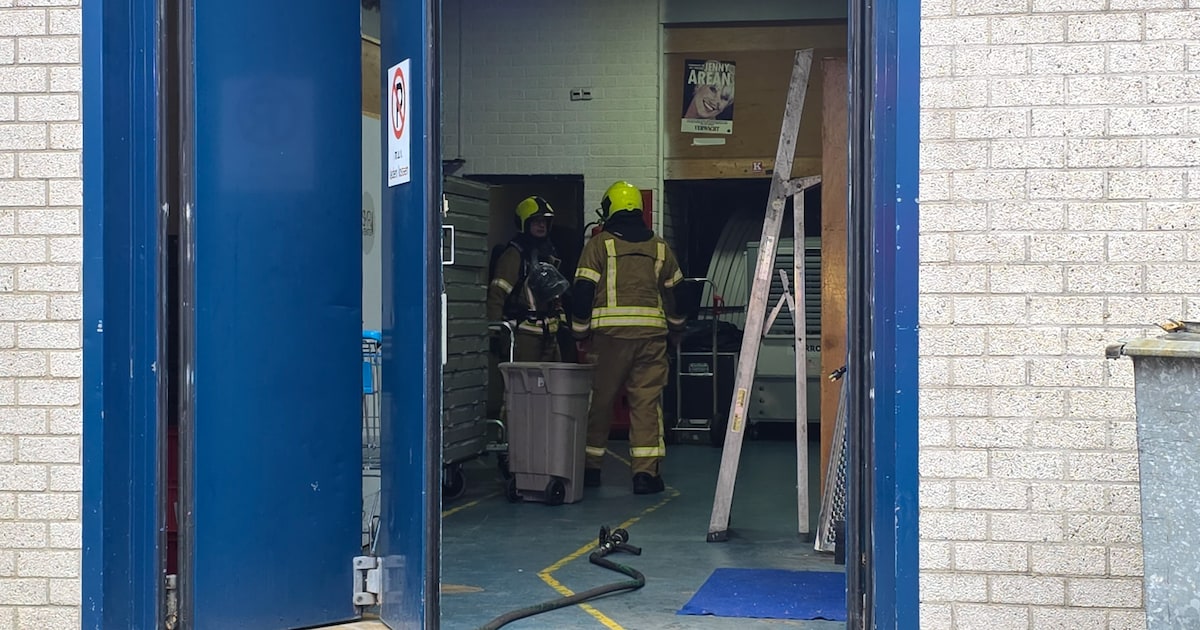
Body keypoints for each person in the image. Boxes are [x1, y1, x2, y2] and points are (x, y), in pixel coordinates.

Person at [570, 181, 687, 495]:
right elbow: (678, 296)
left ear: (610, 208)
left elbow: (581, 294)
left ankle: (590, 469)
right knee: (646, 404)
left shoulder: (599, 245)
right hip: (652, 339)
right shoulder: (661, 247)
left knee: (600, 402)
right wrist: (676, 330)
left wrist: (579, 334)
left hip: (609, 339)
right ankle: (646, 476)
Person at [487, 196, 568, 362]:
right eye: (536, 221)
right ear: (524, 223)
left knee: (553, 385)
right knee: (525, 384)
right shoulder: (514, 254)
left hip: (550, 334)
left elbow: (556, 295)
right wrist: (495, 332)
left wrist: (563, 322)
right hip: (525, 335)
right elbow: (497, 293)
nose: (541, 225)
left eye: (545, 221)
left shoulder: (550, 254)